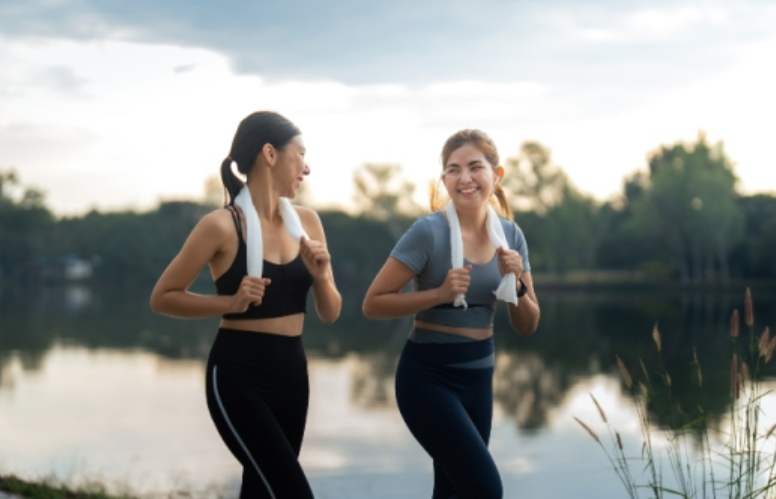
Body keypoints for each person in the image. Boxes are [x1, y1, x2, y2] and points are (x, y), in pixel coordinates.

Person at [150, 111, 341, 499]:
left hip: (293, 374)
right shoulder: (221, 226)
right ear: (270, 154)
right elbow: (163, 297)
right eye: (301, 155)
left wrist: (321, 276)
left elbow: (330, 312)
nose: (307, 168)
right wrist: (231, 302)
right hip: (238, 375)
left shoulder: (308, 223)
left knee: (261, 490)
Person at [362, 129, 540, 499]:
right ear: (444, 179)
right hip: (427, 378)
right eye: (453, 170)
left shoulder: (511, 237)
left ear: (496, 175)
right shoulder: (428, 232)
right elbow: (373, 303)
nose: (465, 178)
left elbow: (527, 325)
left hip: (479, 379)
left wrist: (517, 285)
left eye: (475, 167)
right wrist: (439, 294)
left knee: (451, 491)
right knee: (484, 489)